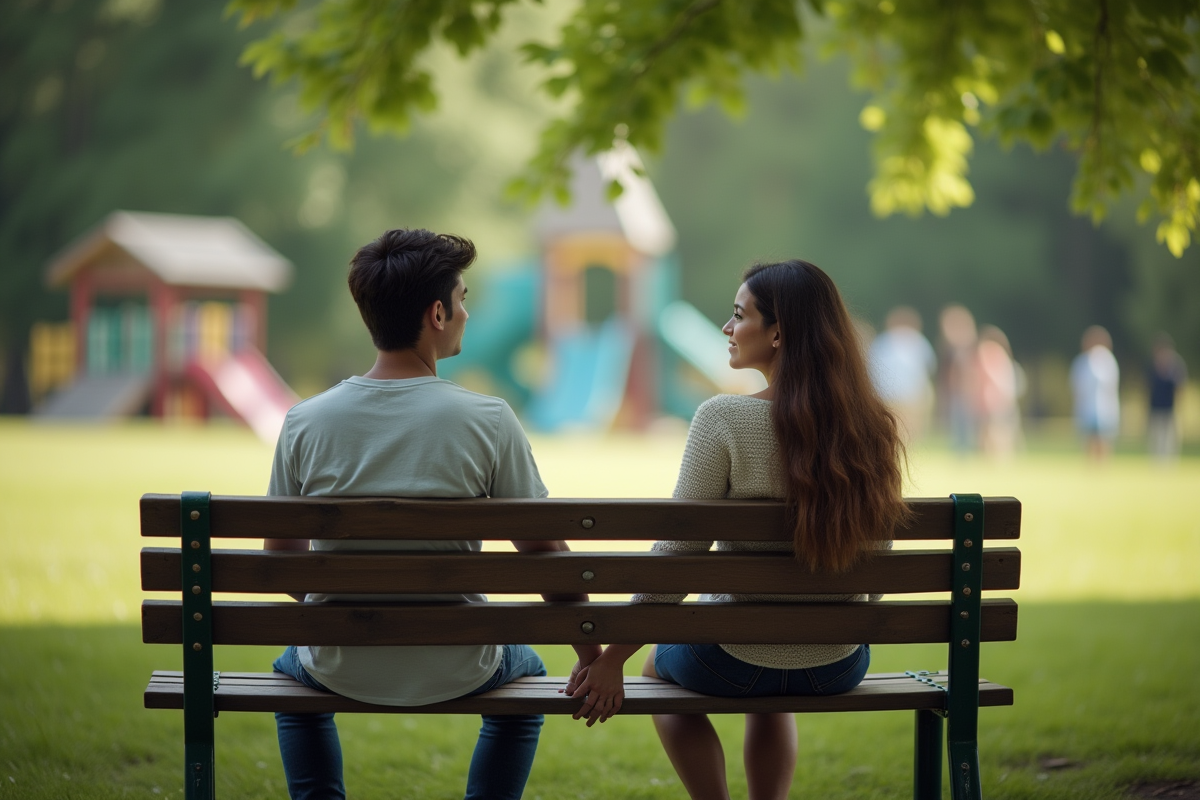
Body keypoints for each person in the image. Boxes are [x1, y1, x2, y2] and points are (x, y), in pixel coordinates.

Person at [264, 228, 602, 800]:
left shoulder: (305, 421)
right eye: (463, 299)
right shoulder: (489, 420)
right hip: (461, 662)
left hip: (339, 660)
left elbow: (281, 564)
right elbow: (546, 557)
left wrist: (351, 606)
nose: (467, 313)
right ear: (437, 313)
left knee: (289, 677)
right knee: (528, 673)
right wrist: (591, 654)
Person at [564, 260, 910, 800]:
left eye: (739, 315)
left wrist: (614, 658)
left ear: (778, 334)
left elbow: (678, 551)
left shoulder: (723, 419)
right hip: (838, 664)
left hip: (730, 661)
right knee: (771, 694)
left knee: (656, 669)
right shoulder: (870, 427)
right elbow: (877, 567)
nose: (727, 328)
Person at [867, 306, 937, 442]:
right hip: (906, 393)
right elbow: (930, 366)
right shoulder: (917, 341)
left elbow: (872, 367)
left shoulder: (883, 341)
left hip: (892, 392)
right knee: (906, 423)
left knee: (896, 423)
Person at [1070, 325, 1120, 461]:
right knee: (1088, 441)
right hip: (1086, 409)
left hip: (1105, 410)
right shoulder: (1081, 362)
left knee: (1103, 440)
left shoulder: (1107, 361)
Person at [974, 325, 1023, 459]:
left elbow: (987, 374)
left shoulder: (985, 350)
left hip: (991, 399)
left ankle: (994, 458)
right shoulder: (1000, 352)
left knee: (992, 431)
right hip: (1003, 397)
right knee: (1002, 430)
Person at [937, 304, 979, 454]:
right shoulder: (949, 348)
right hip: (955, 391)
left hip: (967, 390)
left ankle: (967, 449)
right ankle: (961, 450)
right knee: (957, 422)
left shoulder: (966, 346)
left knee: (966, 422)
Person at [1147, 332, 1187, 462]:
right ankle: (1157, 462)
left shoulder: (1175, 365)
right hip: (1156, 407)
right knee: (1156, 438)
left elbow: (1180, 386)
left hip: (1170, 407)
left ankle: (1169, 463)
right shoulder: (1153, 365)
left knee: (1170, 439)